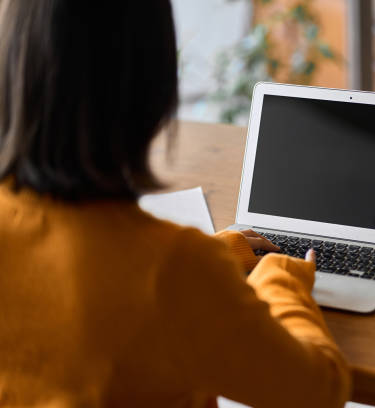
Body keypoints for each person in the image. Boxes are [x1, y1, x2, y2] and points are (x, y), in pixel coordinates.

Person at [0, 1, 351, 407]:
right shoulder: (171, 270)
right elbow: (319, 392)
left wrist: (215, 260)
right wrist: (282, 278)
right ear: (151, 88)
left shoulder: (177, 268)